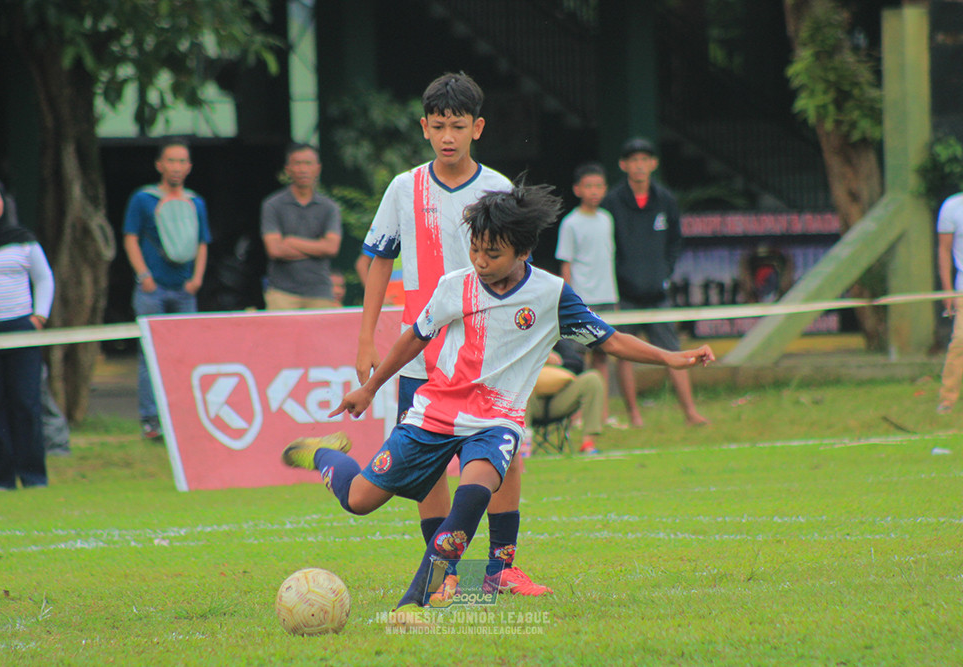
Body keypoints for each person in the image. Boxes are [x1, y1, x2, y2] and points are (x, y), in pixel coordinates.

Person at [281, 181, 714, 627]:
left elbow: (611, 338)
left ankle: (415, 601)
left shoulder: (551, 295)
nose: (481, 262)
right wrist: (370, 388)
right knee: (359, 500)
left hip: (496, 421)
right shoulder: (455, 287)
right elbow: (414, 337)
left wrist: (670, 358)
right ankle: (323, 453)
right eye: (475, 250)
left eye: (493, 253)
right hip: (436, 413)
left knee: (473, 493)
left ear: (523, 251)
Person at [357, 72, 550, 596]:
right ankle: (441, 579)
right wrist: (365, 339)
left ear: (477, 128)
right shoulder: (404, 187)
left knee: (501, 459)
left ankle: (500, 569)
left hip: (488, 357)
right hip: (422, 357)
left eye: (458, 126)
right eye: (438, 125)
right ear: (424, 127)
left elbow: (523, 273)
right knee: (428, 474)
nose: (448, 136)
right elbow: (378, 260)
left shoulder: (500, 190)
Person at [0, 147, 69, 456]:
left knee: (29, 391)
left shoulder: (8, 216)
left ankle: (50, 446)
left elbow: (41, 274)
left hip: (17, 321)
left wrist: (38, 316)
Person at [601, 137, 708, 427]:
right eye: (633, 160)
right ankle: (634, 416)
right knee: (624, 353)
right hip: (624, 294)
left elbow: (675, 241)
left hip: (657, 293)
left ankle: (690, 412)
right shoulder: (611, 201)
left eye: (644, 159)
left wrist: (664, 271)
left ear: (653, 164)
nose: (639, 165)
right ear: (624, 165)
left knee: (674, 352)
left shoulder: (665, 199)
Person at [123, 137, 211, 440]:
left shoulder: (196, 201)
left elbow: (202, 242)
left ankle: (184, 417)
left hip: (185, 290)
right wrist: (143, 275)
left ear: (189, 166)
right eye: (171, 161)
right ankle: (151, 420)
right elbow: (130, 237)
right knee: (149, 355)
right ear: (160, 165)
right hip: (152, 290)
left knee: (186, 354)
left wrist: (197, 279)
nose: (177, 166)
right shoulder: (142, 198)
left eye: (182, 161)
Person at [555, 162, 619, 423]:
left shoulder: (606, 219)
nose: (594, 191)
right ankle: (576, 414)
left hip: (607, 298)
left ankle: (601, 414)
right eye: (588, 186)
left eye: (598, 186)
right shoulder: (571, 223)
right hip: (583, 301)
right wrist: (570, 301)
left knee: (603, 357)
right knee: (578, 359)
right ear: (577, 189)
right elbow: (566, 264)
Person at [260, 143, 342, 311]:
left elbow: (332, 248)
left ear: (318, 168)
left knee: (322, 338)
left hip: (320, 292)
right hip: (282, 294)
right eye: (297, 163)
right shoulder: (272, 205)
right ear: (288, 169)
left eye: (308, 163)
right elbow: (274, 250)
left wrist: (290, 241)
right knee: (281, 338)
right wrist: (317, 247)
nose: (303, 169)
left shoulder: (329, 207)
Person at [527, 338, 606, 455]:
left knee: (592, 379)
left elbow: (577, 364)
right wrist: (539, 359)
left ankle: (588, 444)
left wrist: (559, 363)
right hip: (528, 402)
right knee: (516, 388)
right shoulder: (516, 338)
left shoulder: (555, 337)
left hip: (558, 400)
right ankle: (522, 447)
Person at [936, 191, 963, 414]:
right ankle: (948, 399)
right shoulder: (952, 207)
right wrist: (948, 292)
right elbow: (944, 251)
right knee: (960, 343)